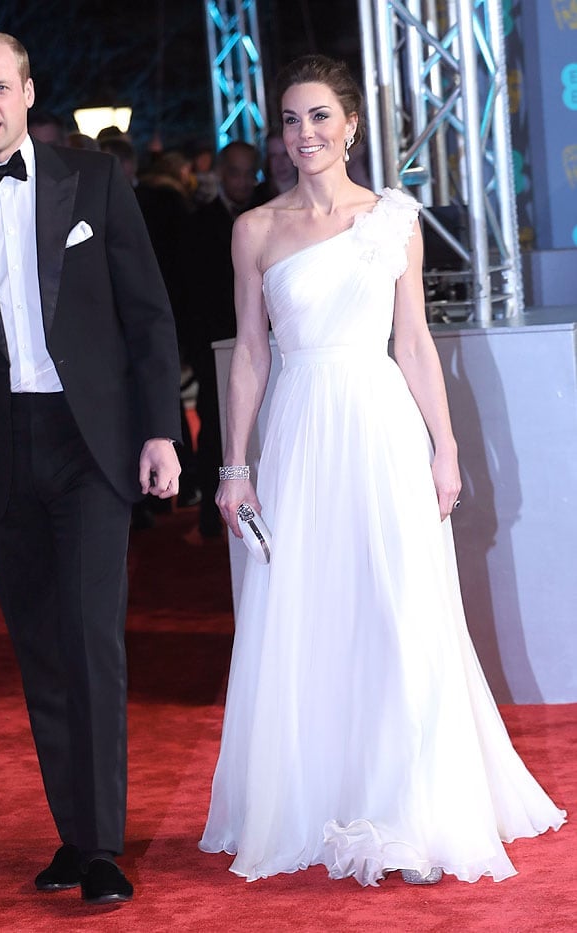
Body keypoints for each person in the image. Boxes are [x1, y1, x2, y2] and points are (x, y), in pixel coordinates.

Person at [199, 55, 565, 886]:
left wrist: (446, 447)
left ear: (351, 125)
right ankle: (316, 793)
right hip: (298, 436)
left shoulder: (392, 219)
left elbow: (413, 344)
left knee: (401, 604)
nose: (305, 135)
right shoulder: (254, 230)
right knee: (310, 607)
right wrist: (232, 466)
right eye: (291, 120)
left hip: (381, 426)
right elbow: (251, 356)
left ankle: (414, 797)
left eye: (320, 117)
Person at [0, 30, 182, 908]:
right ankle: (72, 831)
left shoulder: (91, 181)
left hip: (89, 440)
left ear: (28, 92)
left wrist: (162, 430)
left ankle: (99, 844)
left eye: (0, 88)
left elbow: (150, 316)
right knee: (41, 651)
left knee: (91, 640)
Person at [185, 141, 259, 538]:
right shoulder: (198, 225)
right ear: (220, 173)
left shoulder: (270, 215)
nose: (243, 181)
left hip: (260, 341)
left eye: (250, 172)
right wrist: (199, 350)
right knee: (215, 428)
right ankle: (211, 520)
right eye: (235, 172)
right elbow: (190, 292)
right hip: (216, 346)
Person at [251, 128, 298, 206]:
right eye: (273, 156)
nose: (280, 162)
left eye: (286, 154)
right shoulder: (255, 198)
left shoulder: (313, 192)